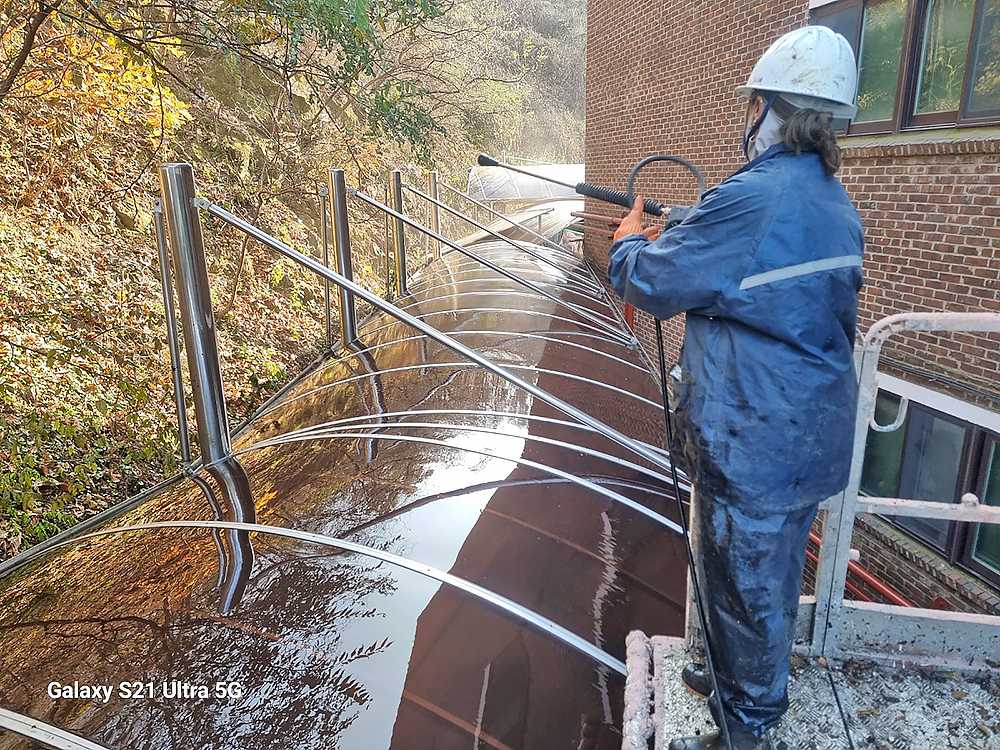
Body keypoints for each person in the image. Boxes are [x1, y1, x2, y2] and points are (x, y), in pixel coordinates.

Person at [608, 26, 864, 750]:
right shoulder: (832, 201)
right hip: (804, 432)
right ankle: (732, 678)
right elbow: (766, 277)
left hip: (755, 436)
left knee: (748, 584)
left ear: (774, 110)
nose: (748, 117)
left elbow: (654, 283)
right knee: (765, 574)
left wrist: (630, 238)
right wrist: (702, 229)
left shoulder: (754, 199)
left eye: (754, 104)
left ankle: (748, 726)